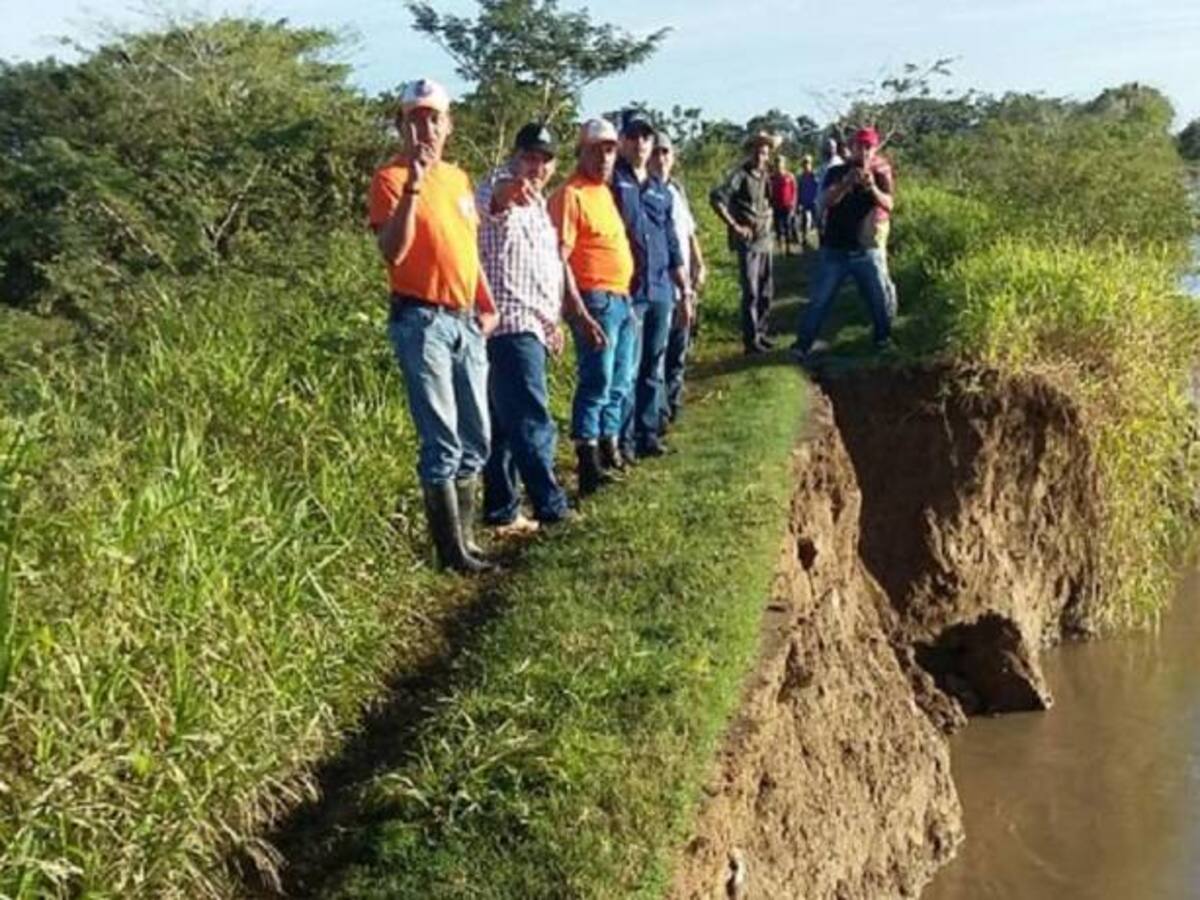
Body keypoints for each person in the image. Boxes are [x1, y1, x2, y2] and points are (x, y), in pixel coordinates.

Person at [368, 78, 499, 574]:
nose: (425, 126)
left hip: (466, 320)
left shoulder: (461, 179)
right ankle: (451, 554)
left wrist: (486, 302)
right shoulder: (390, 178)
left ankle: (465, 540)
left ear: (448, 124)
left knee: (476, 436)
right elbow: (392, 251)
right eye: (415, 118)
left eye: (433, 117)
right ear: (401, 124)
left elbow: (465, 249)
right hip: (421, 320)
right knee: (441, 438)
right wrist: (414, 187)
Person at [475, 122, 573, 532]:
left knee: (502, 424)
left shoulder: (539, 206)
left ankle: (501, 509)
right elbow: (493, 206)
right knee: (533, 418)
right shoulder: (497, 189)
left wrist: (554, 321)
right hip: (508, 327)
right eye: (530, 157)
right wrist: (506, 192)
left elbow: (542, 270)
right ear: (515, 156)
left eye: (545, 159)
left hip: (533, 323)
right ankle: (552, 506)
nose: (537, 167)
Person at [548, 119, 635, 496]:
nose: (604, 156)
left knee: (619, 379)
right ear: (580, 152)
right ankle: (587, 463)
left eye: (610, 149)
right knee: (596, 379)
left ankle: (609, 448)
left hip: (620, 296)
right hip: (593, 298)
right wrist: (578, 311)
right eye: (596, 149)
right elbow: (560, 257)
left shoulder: (605, 192)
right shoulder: (571, 194)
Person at [611, 111, 692, 461]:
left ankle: (649, 433)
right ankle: (623, 441)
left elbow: (672, 243)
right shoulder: (613, 183)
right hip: (629, 289)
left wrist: (685, 291)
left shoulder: (661, 191)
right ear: (622, 141)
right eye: (633, 137)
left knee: (653, 365)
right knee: (628, 368)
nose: (641, 144)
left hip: (661, 289)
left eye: (646, 137)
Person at [790, 126, 894, 363]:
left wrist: (872, 189)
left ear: (874, 148)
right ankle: (802, 346)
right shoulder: (836, 171)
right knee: (820, 300)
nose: (865, 152)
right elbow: (824, 202)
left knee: (879, 299)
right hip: (835, 249)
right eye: (860, 146)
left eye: (869, 147)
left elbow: (889, 204)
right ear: (852, 148)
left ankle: (883, 340)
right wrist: (846, 184)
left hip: (867, 249)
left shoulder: (880, 174)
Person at [650, 132, 707, 429]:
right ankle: (657, 416)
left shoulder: (676, 190)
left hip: (683, 280)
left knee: (679, 348)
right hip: (660, 282)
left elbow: (688, 231)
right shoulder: (644, 190)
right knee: (657, 353)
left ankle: (672, 404)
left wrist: (698, 261)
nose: (661, 159)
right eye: (656, 152)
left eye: (666, 152)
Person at [710, 131, 777, 355]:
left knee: (766, 290)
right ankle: (751, 340)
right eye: (757, 151)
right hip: (748, 243)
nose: (760, 156)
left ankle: (762, 333)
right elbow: (717, 197)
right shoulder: (740, 175)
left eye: (765, 152)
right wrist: (735, 226)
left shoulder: (766, 175)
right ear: (751, 152)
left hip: (766, 239)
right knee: (751, 291)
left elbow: (769, 201)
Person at [769, 155, 799, 255]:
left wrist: (793, 203)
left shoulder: (790, 176)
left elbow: (794, 191)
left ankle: (788, 249)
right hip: (776, 206)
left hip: (787, 206)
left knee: (788, 227)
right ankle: (780, 249)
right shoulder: (771, 177)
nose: (778, 164)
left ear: (784, 163)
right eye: (777, 162)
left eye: (780, 162)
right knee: (778, 228)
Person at [796, 154, 820, 249]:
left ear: (811, 164)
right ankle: (804, 240)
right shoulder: (800, 177)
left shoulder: (815, 176)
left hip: (814, 202)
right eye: (804, 163)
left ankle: (820, 240)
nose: (806, 165)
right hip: (804, 203)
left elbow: (819, 188)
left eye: (808, 163)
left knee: (817, 222)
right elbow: (799, 190)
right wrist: (798, 203)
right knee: (805, 221)